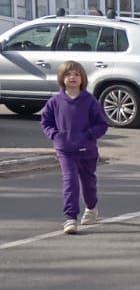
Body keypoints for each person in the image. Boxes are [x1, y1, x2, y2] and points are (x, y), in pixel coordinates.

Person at [41, 60, 108, 235]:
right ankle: (70, 217)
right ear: (61, 78)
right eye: (68, 74)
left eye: (76, 74)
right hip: (65, 150)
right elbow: (46, 122)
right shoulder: (55, 101)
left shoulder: (90, 100)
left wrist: (88, 135)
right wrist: (55, 135)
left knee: (88, 184)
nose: (72, 77)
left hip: (87, 151)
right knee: (70, 182)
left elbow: (101, 124)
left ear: (82, 78)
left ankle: (92, 208)